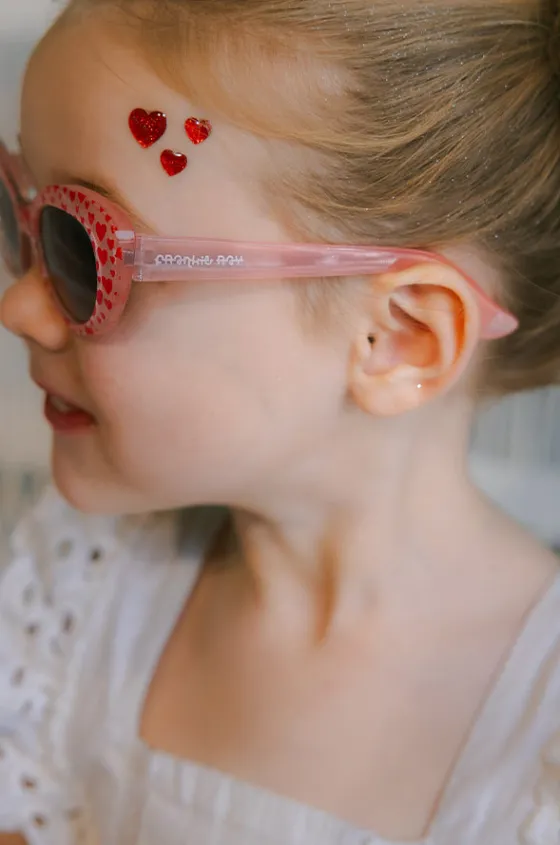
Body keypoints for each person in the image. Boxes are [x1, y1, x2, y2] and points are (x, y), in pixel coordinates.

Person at [0, 0, 559, 842]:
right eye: (18, 211)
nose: (19, 306)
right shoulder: (83, 593)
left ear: (397, 339)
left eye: (82, 248)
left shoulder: (538, 745)